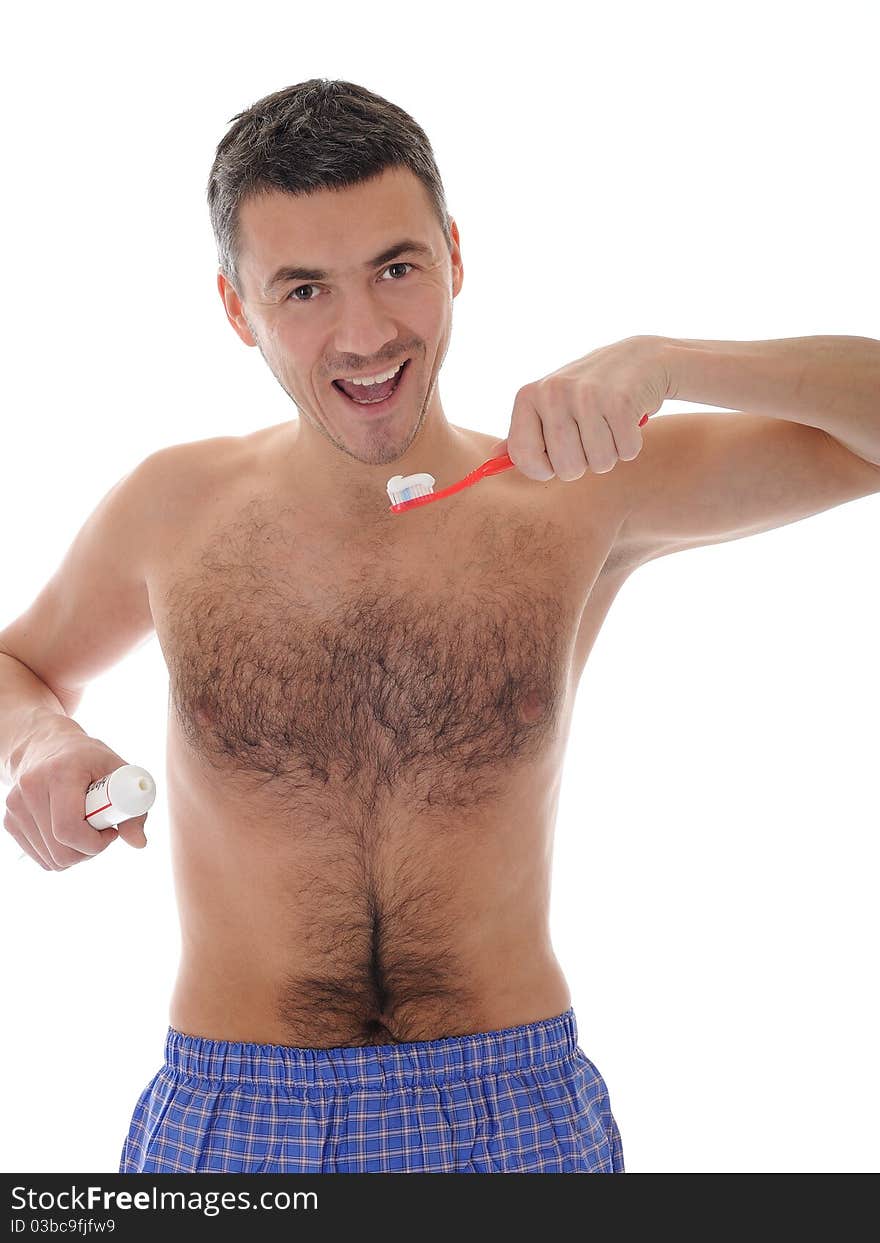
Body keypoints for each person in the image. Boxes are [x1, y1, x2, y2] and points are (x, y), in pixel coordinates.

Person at [1, 79, 878, 1175]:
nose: (365, 333)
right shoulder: (174, 508)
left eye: (396, 268)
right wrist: (43, 742)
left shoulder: (577, 487)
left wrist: (675, 358)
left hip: (515, 1114)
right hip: (235, 1116)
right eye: (305, 289)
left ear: (455, 258)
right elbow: (16, 665)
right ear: (237, 308)